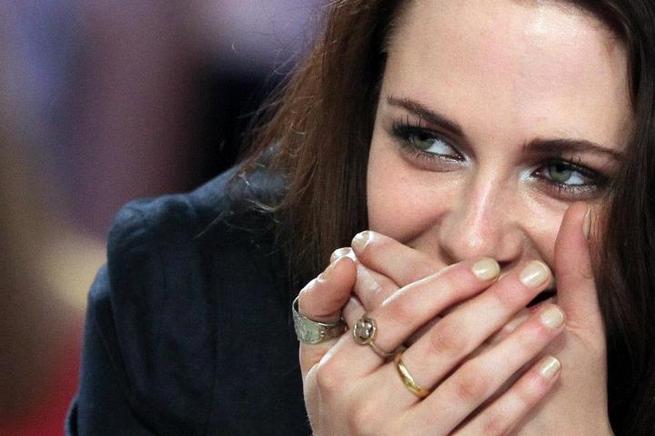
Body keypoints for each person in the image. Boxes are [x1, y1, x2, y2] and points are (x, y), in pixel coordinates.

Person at [68, 0, 655, 435]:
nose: (472, 239)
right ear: (365, 109)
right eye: (427, 140)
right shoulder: (183, 295)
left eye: (565, 173)